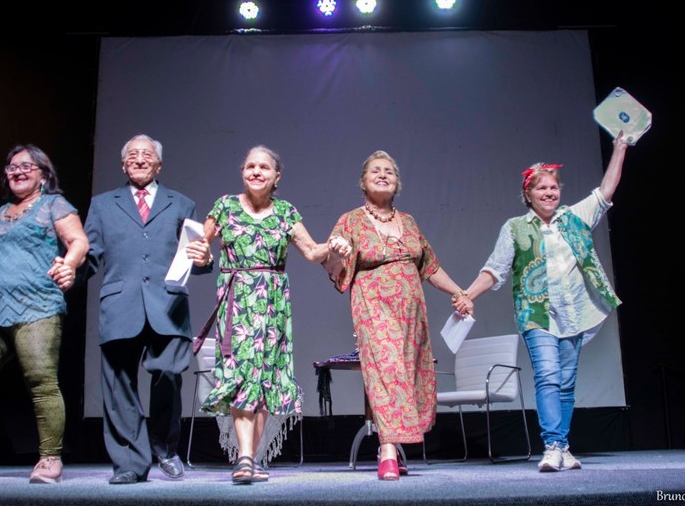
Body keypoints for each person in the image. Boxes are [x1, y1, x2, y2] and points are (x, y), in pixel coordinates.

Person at [456, 133, 629, 472]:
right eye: (541, 188)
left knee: (566, 382)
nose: (549, 193)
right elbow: (494, 270)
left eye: (553, 187)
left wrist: (620, 148)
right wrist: (466, 295)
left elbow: (606, 191)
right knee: (548, 375)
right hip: (536, 314)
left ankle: (563, 446)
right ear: (528, 194)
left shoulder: (574, 218)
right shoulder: (515, 228)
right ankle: (551, 446)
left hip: (574, 313)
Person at [197, 145, 349, 484]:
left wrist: (333, 244)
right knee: (242, 374)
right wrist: (202, 256)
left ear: (276, 177)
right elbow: (200, 245)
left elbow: (312, 252)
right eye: (250, 166)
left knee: (266, 377)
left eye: (264, 167)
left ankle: (252, 458)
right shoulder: (225, 206)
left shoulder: (285, 212)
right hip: (237, 302)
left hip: (273, 303)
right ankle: (245, 457)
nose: (256, 172)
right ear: (242, 172)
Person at [324, 150, 470, 481]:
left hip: (412, 314)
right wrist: (333, 252)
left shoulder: (409, 222)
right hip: (373, 308)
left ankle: (391, 447)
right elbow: (333, 268)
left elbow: (430, 267)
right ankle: (388, 451)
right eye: (375, 171)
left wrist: (459, 292)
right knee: (386, 369)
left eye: (389, 171)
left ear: (398, 183)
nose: (383, 175)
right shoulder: (350, 221)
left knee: (407, 373)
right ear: (362, 182)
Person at [0, 144, 89, 483]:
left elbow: (78, 242)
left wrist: (69, 265)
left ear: (43, 174)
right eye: (12, 167)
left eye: (27, 166)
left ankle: (49, 460)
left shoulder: (54, 204)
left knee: (41, 382)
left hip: (37, 308)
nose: (18, 171)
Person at [83, 134, 211, 484]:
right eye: (133, 155)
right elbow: (89, 255)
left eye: (147, 155)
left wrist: (204, 258)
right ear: (123, 165)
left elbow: (194, 254)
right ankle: (129, 463)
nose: (140, 159)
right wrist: (69, 268)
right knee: (119, 385)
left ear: (159, 164)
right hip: (119, 304)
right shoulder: (102, 205)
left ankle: (165, 448)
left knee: (168, 373)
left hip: (168, 305)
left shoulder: (181, 203)